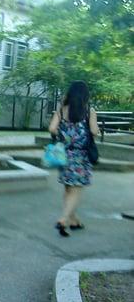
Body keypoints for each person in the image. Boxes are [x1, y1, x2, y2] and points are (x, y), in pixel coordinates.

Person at [48, 81, 99, 237]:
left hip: (64, 154)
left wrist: (63, 135)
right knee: (76, 191)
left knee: (68, 189)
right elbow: (94, 132)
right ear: (85, 95)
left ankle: (74, 220)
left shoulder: (61, 111)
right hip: (81, 156)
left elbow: (51, 129)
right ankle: (63, 219)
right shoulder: (89, 111)